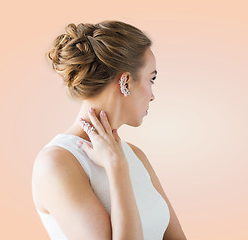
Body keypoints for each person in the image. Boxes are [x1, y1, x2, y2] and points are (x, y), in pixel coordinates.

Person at [31, 20, 187, 240]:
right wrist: (116, 168)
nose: (152, 95)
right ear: (125, 82)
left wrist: (120, 161)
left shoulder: (135, 155)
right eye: (151, 79)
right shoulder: (57, 163)